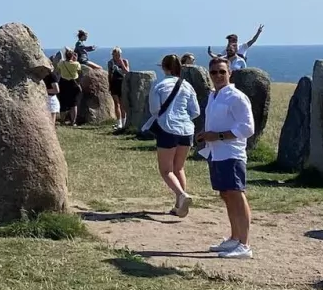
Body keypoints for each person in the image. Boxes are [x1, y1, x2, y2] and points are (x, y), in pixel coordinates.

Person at [199, 58, 255, 259]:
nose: (218, 76)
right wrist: (207, 135)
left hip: (231, 153)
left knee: (237, 194)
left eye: (222, 72)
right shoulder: (214, 96)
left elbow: (247, 128)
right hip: (216, 153)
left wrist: (219, 135)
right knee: (226, 195)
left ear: (229, 72)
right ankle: (234, 237)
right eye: (214, 72)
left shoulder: (236, 97)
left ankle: (245, 244)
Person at [144, 54, 201, 217]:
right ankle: (179, 205)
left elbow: (154, 109)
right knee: (179, 167)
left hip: (167, 128)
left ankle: (182, 195)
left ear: (164, 67)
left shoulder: (159, 85)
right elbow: (195, 111)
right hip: (187, 129)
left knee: (166, 170)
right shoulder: (187, 86)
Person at [54, 49, 82, 126]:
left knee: (63, 103)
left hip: (63, 83)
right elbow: (79, 72)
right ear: (72, 56)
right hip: (74, 83)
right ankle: (73, 122)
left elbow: (57, 71)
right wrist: (75, 60)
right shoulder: (76, 64)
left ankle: (62, 121)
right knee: (74, 104)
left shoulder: (61, 63)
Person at [107, 48, 130, 130]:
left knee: (122, 103)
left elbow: (127, 72)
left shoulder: (124, 61)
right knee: (117, 104)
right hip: (114, 83)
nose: (117, 56)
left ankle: (124, 122)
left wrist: (121, 64)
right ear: (112, 55)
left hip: (122, 84)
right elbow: (109, 74)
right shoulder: (110, 62)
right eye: (115, 55)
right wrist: (109, 84)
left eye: (118, 55)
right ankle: (119, 123)